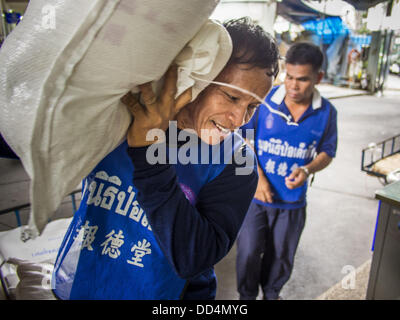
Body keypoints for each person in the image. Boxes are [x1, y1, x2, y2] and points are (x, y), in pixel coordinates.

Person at [52, 17, 279, 300]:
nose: (239, 120)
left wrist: (149, 155)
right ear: (199, 75)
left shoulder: (237, 162)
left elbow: (194, 257)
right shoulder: (121, 115)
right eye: (232, 97)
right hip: (85, 283)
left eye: (253, 107)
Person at [236, 41, 338, 300]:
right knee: (247, 253)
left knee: (281, 257)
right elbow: (243, 136)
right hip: (254, 198)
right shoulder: (266, 100)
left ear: (319, 77)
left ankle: (272, 295)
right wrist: (257, 177)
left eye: (302, 79)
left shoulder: (326, 113)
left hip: (292, 204)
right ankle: (246, 298)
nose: (293, 86)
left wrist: (307, 169)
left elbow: (328, 152)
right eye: (289, 76)